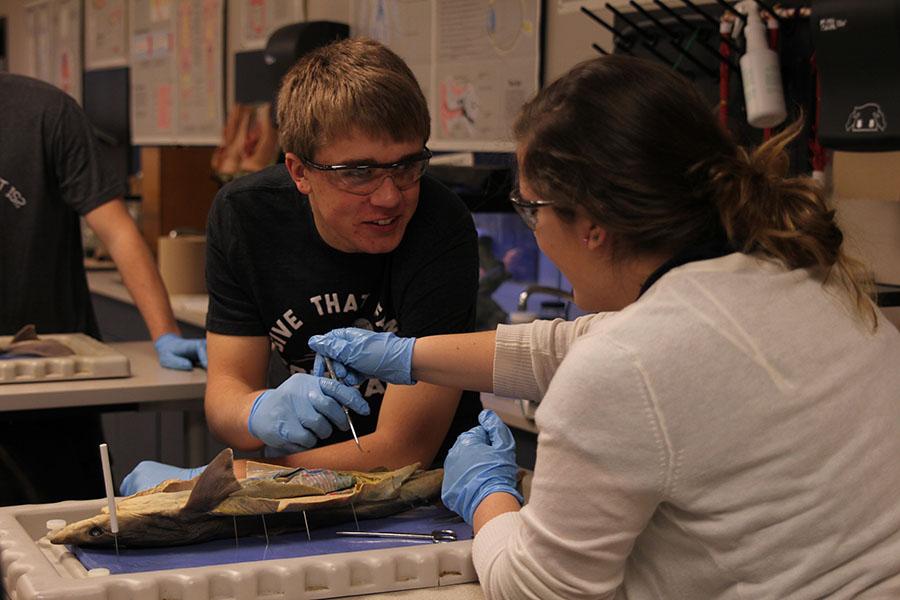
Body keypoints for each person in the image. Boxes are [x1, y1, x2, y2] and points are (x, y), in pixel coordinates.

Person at [309, 56, 900, 599]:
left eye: (531, 209)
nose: (533, 230)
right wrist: (407, 355)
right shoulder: (799, 278)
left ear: (591, 225)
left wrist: (488, 498)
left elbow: (538, 589)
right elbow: (575, 347)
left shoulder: (630, 363)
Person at [120, 38, 480, 494]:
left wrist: (240, 479)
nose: (390, 197)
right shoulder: (246, 216)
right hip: (288, 494)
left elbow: (404, 448)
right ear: (299, 171)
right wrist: (256, 412)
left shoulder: (439, 224)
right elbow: (227, 397)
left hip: (420, 495)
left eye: (408, 165)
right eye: (359, 173)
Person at [0, 73, 207, 505]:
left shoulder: (45, 112)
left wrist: (164, 333)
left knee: (66, 536)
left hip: (54, 391)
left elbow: (118, 234)